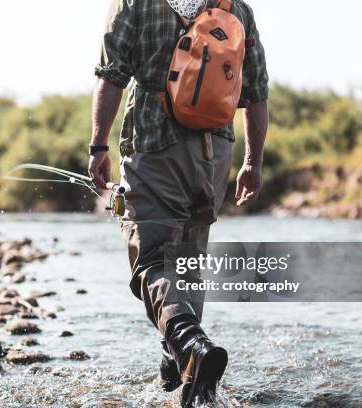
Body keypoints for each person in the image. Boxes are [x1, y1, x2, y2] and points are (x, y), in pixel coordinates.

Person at [88, 0, 269, 406]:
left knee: (151, 261)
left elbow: (111, 75)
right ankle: (182, 381)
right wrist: (252, 163)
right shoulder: (235, 6)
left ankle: (190, 345)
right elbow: (256, 93)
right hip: (215, 155)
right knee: (187, 261)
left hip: (154, 147)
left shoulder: (134, 2)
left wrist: (98, 146)